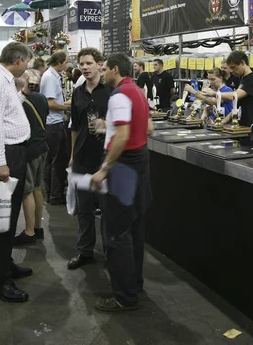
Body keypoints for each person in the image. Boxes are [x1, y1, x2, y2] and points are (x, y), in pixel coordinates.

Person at [91, 53, 154, 312]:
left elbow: (124, 135)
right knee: (134, 230)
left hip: (123, 167)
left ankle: (124, 297)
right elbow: (148, 128)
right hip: (140, 163)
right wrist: (110, 126)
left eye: (104, 69)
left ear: (115, 69)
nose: (102, 73)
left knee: (116, 234)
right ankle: (134, 284)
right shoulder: (137, 91)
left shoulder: (118, 95)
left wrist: (104, 169)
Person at [0, 42, 33, 303]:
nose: (28, 67)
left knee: (9, 218)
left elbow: (7, 112)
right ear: (19, 60)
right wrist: (0, 163)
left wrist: (22, 93)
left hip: (13, 153)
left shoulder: (5, 80)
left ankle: (5, 264)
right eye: (28, 62)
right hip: (5, 156)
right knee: (1, 220)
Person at [67, 48, 111, 270]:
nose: (84, 67)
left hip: (105, 158)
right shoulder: (78, 93)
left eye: (88, 63)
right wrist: (73, 155)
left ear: (99, 64)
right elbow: (74, 126)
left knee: (107, 208)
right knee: (84, 209)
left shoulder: (111, 91)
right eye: (81, 64)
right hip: (83, 157)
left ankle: (110, 252)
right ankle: (85, 250)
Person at [13, 70, 49, 246]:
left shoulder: (20, 100)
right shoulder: (42, 98)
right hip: (43, 147)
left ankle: (29, 232)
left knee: (27, 191)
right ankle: (38, 227)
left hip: (29, 149)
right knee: (37, 188)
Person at [40, 51, 71, 205]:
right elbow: (50, 103)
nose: (67, 64)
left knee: (52, 160)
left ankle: (52, 193)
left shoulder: (52, 76)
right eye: (66, 62)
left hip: (54, 122)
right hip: (52, 125)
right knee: (56, 161)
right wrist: (66, 106)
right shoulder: (50, 77)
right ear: (59, 62)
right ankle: (55, 195)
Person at [218, 51, 253, 132]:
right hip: (241, 128)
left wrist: (216, 94)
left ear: (242, 63)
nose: (231, 71)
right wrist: (222, 122)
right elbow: (237, 107)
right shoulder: (242, 80)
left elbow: (235, 95)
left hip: (251, 129)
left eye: (233, 67)